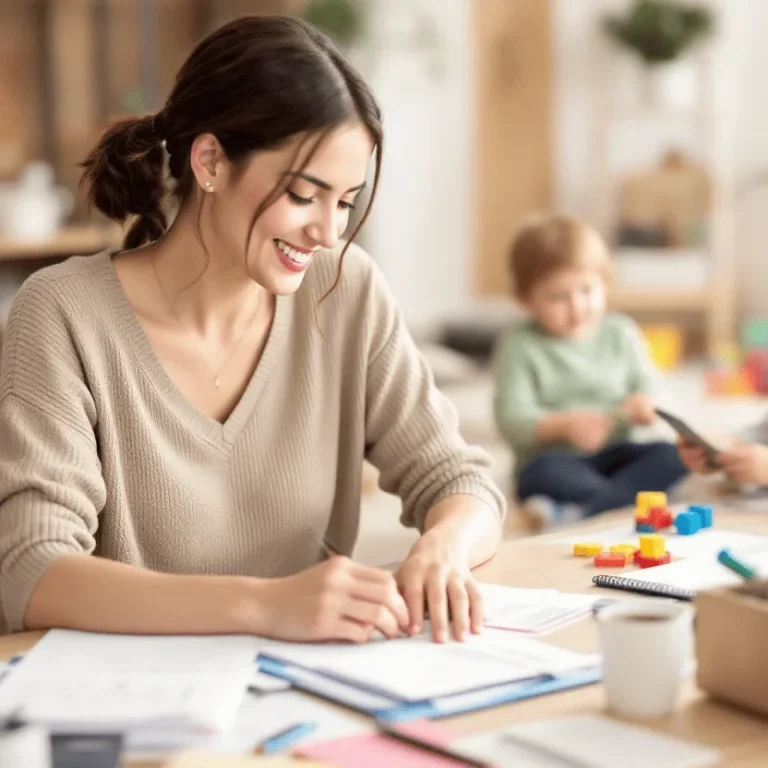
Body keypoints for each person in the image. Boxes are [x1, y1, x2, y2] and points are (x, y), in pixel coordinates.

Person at [0, 16, 504, 641]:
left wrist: (444, 548)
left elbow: (461, 481)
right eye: (303, 195)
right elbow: (32, 569)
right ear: (209, 160)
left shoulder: (345, 289)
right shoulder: (62, 314)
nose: (329, 232)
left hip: (309, 696)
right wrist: (264, 607)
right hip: (130, 711)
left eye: (344, 202)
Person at [493, 214, 686, 530]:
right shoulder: (520, 344)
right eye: (557, 297)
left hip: (620, 451)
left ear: (604, 284)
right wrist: (562, 426)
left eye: (587, 290)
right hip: (557, 459)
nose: (577, 306)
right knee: (539, 475)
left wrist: (644, 403)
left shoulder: (619, 332)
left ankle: (582, 511)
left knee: (671, 454)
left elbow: (648, 385)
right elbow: (511, 418)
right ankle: (621, 506)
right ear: (525, 299)